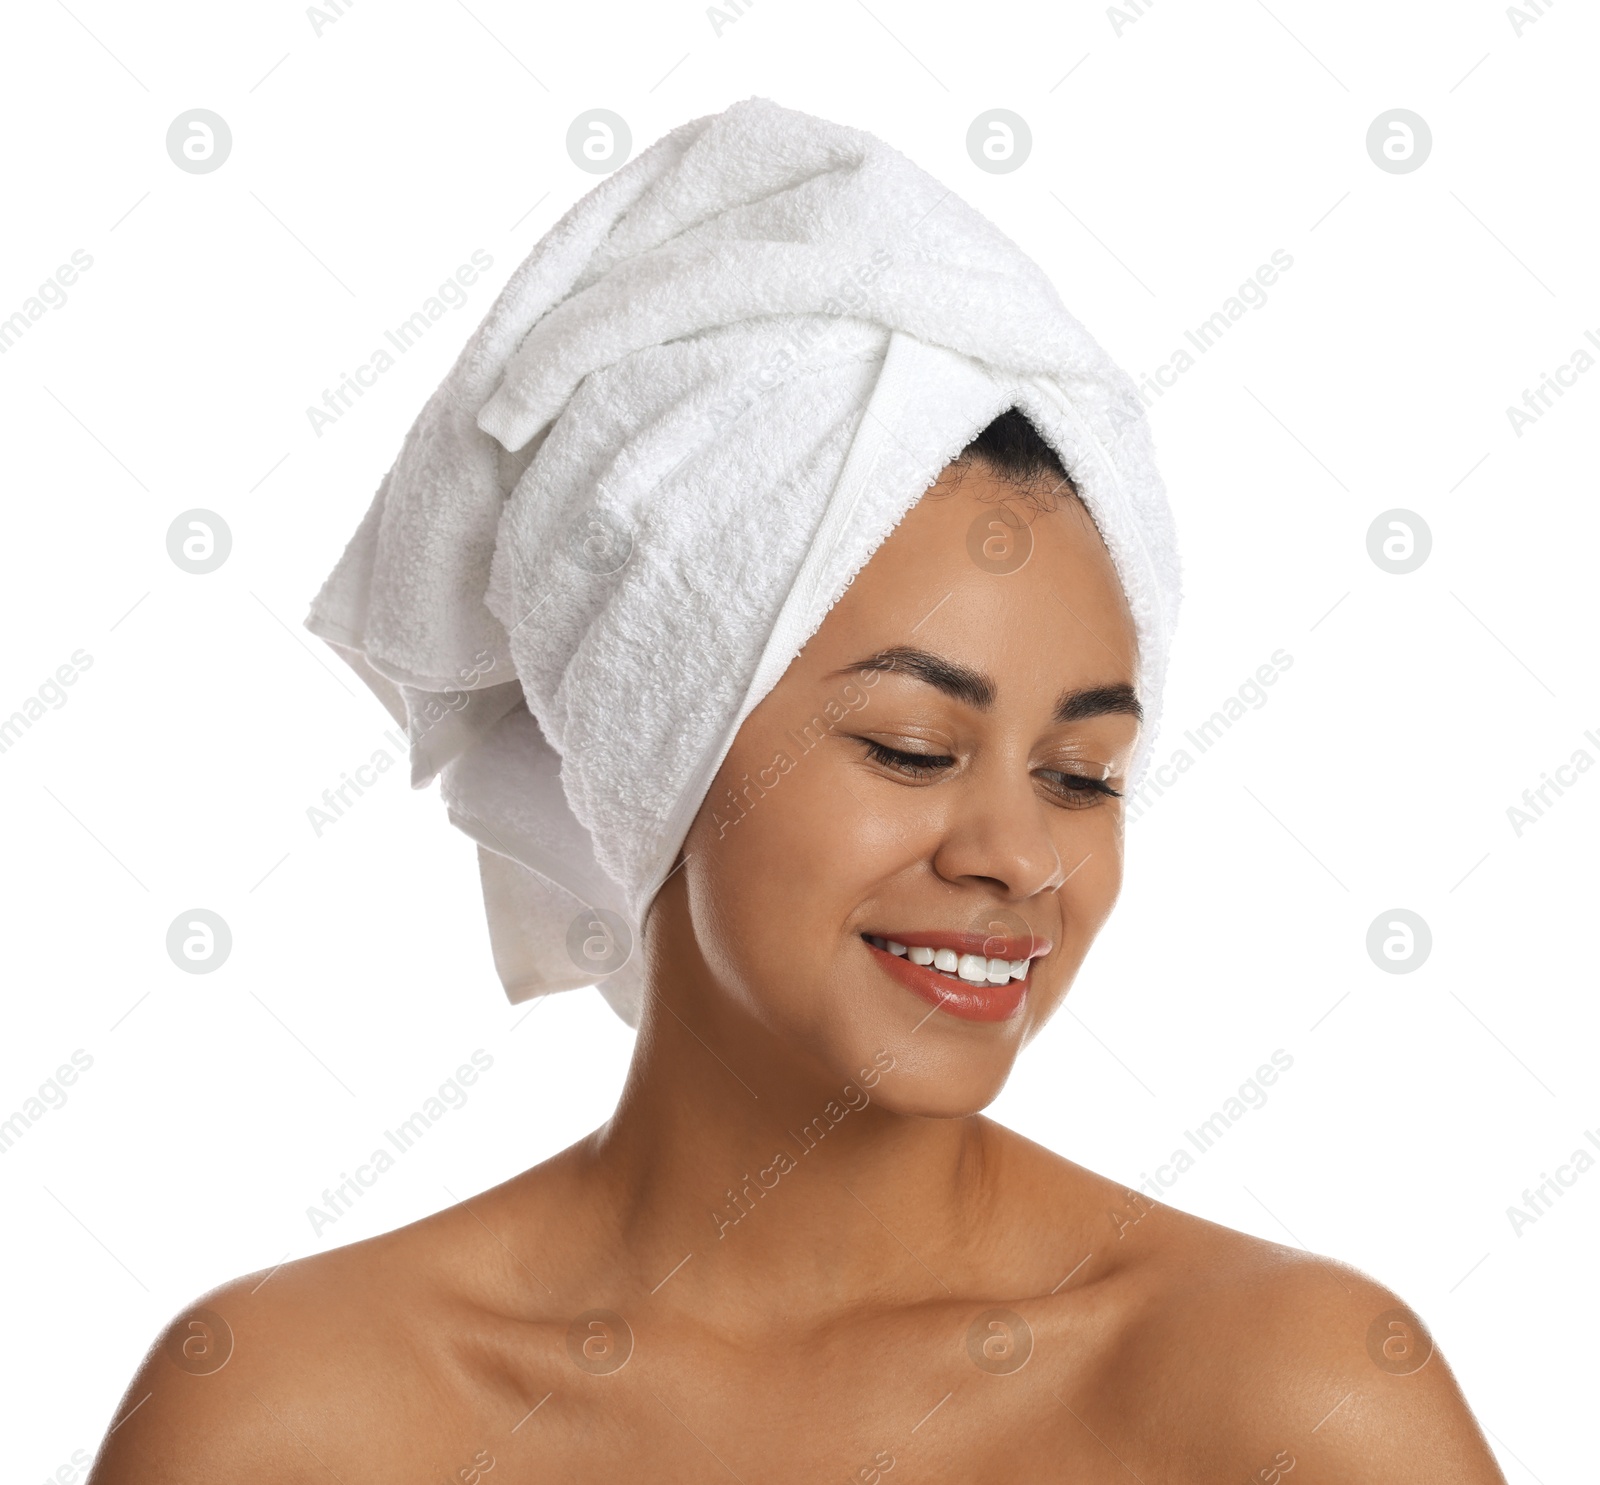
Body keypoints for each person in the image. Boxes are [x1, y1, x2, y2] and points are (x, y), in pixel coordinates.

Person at [89, 407, 1505, 1482]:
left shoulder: (1293, 1402)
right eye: (911, 746)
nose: (1017, 856)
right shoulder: (286, 1418)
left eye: (1080, 775)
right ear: (660, 747)